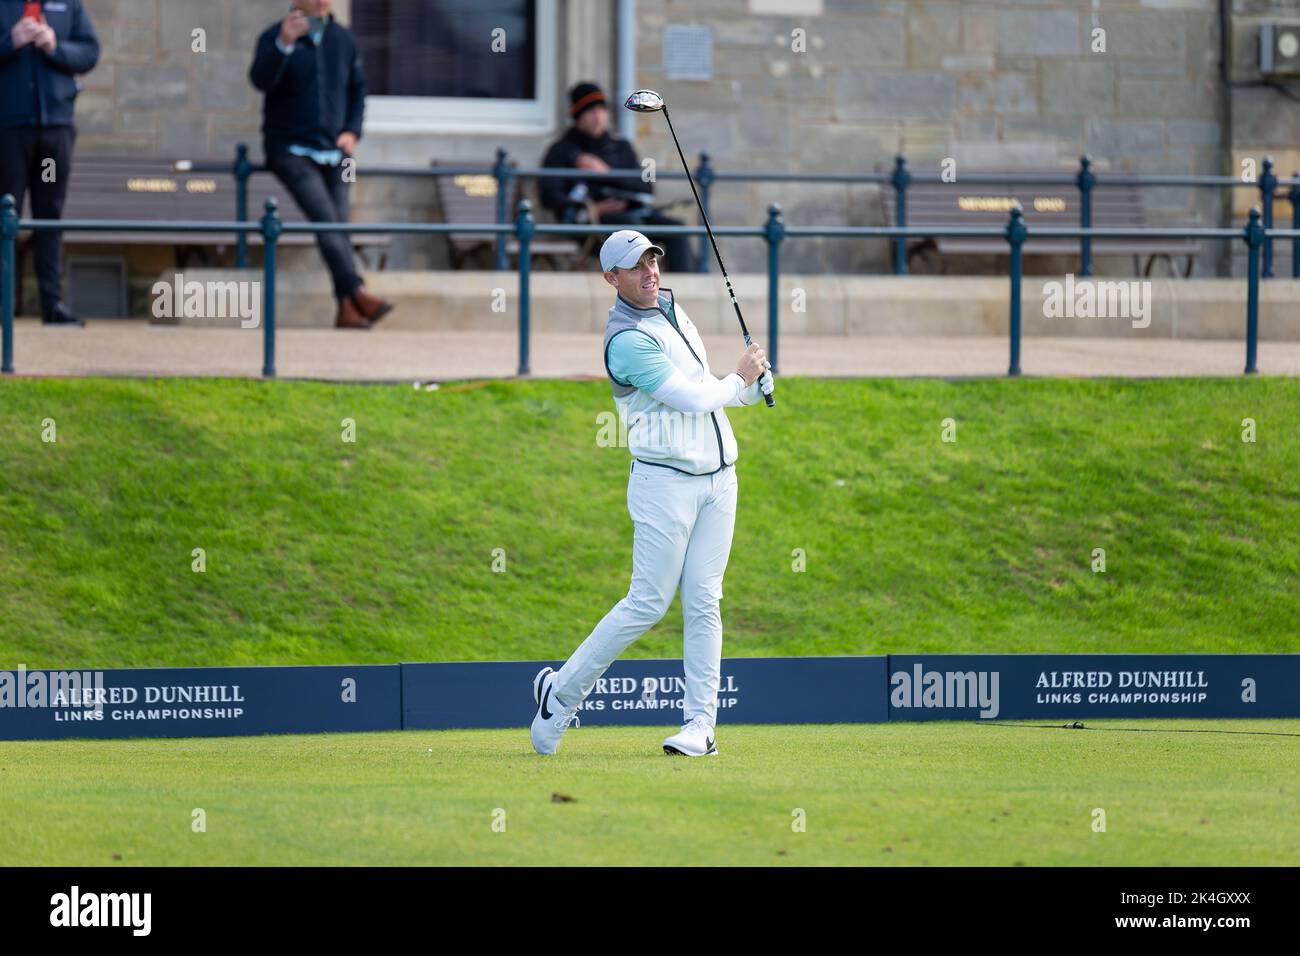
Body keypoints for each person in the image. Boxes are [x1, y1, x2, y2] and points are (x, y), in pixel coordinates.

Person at [531, 230, 773, 757]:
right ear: (610, 278)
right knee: (647, 603)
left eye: (652, 261)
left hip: (720, 479)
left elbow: (706, 384)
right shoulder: (626, 340)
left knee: (705, 600)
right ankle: (561, 694)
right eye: (635, 267)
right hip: (663, 484)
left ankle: (700, 727)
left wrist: (750, 389)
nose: (649, 273)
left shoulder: (671, 309)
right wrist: (739, 378)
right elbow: (689, 399)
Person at [249, 0, 391, 330]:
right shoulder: (274, 36)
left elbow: (359, 91)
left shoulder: (344, 39)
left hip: (336, 153)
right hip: (289, 149)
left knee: (338, 225)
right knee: (327, 220)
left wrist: (353, 132)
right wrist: (283, 44)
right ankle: (357, 289)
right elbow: (260, 80)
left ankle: (346, 307)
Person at [0, 0, 99, 327]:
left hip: (55, 131)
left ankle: (52, 305)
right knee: (5, 216)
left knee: (50, 216)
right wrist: (10, 41)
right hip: (9, 130)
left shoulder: (68, 5)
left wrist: (55, 47)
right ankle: (4, 307)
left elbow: (90, 52)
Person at [540, 82, 696, 273]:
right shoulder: (561, 151)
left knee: (677, 229)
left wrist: (606, 173)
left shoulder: (621, 148)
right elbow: (550, 196)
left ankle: (683, 293)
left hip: (633, 214)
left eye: (601, 109)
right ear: (577, 115)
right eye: (590, 111)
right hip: (591, 221)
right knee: (633, 229)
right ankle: (641, 294)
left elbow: (645, 188)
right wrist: (591, 209)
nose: (597, 116)